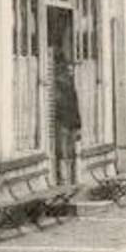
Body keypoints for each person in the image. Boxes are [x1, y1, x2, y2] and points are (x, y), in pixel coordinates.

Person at [51, 54, 82, 186]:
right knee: (64, 152)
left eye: (71, 70)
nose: (71, 73)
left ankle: (70, 179)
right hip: (63, 123)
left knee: (69, 152)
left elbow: (76, 107)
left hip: (70, 124)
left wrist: (78, 125)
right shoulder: (58, 86)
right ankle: (64, 180)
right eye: (68, 70)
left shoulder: (70, 86)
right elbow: (60, 105)